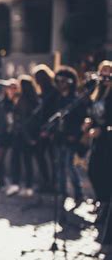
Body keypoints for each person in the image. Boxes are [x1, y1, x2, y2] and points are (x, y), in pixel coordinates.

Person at [85, 61, 112, 243]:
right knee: (92, 170)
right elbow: (95, 113)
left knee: (104, 171)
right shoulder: (98, 93)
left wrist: (102, 128)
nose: (104, 75)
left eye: (108, 72)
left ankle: (105, 205)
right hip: (98, 140)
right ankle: (102, 201)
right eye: (102, 72)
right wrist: (90, 123)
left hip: (108, 140)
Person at [53, 66, 86, 205]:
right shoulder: (57, 99)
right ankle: (62, 194)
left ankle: (79, 194)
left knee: (70, 166)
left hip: (72, 139)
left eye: (64, 81)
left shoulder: (76, 100)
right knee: (59, 166)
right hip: (59, 138)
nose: (61, 84)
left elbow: (82, 119)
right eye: (58, 80)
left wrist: (76, 135)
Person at [7, 75, 39, 197]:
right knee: (23, 160)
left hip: (24, 135)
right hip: (23, 135)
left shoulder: (24, 101)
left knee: (22, 160)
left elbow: (23, 119)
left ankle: (23, 185)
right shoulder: (29, 100)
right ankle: (24, 185)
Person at [32, 64, 59, 193]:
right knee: (40, 155)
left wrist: (49, 130)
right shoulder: (42, 93)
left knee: (53, 158)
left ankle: (53, 184)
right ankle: (46, 182)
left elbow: (53, 111)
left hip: (51, 129)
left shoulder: (53, 92)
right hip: (41, 129)